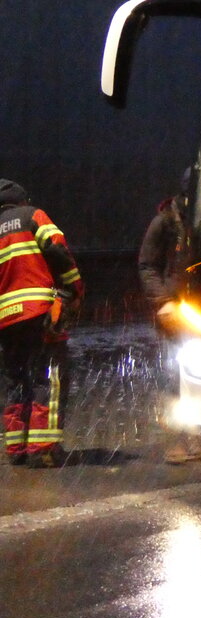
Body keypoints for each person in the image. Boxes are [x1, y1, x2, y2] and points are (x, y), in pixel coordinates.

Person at [0, 179, 84, 467]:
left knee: (14, 379)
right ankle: (42, 449)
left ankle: (16, 449)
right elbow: (57, 248)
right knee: (48, 376)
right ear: (22, 200)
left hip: (6, 321)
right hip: (40, 313)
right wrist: (73, 288)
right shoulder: (32, 216)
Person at [138, 173, 201, 464]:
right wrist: (163, 302)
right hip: (179, 310)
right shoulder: (166, 221)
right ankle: (184, 439)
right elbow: (147, 265)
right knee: (179, 375)